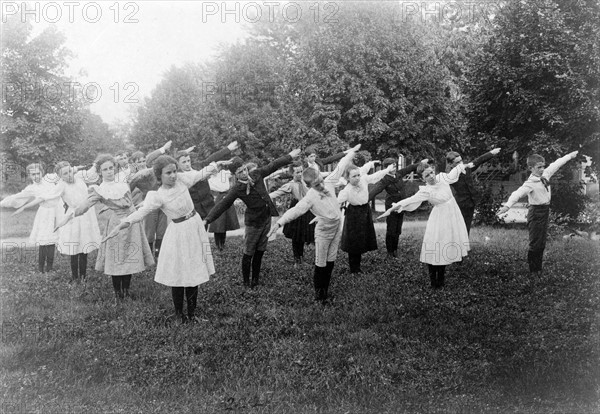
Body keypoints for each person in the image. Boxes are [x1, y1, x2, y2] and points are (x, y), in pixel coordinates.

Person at [108, 155, 220, 323]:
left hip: (194, 228)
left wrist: (215, 164)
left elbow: (199, 175)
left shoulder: (182, 180)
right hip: (178, 233)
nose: (173, 175)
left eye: (175, 171)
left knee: (194, 270)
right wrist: (122, 225)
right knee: (179, 272)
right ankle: (178, 314)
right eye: (168, 173)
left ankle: (191, 314)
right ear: (159, 176)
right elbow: (141, 212)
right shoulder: (157, 195)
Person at [268, 145, 360, 302]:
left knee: (331, 261)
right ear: (310, 186)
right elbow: (295, 210)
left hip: (337, 227)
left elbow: (342, 164)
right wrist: (278, 224)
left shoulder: (329, 181)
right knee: (321, 263)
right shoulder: (310, 196)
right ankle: (320, 296)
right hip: (323, 231)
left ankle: (326, 289)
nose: (321, 186)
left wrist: (352, 152)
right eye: (317, 185)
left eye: (320, 181)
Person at [61, 154, 155, 301]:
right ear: (100, 172)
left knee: (128, 257)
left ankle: (126, 291)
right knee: (117, 258)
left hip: (132, 222)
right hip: (116, 224)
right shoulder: (99, 189)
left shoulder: (123, 181)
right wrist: (69, 216)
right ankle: (118, 294)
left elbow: (141, 175)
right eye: (105, 169)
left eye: (111, 168)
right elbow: (84, 206)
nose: (109, 171)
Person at [204, 149, 301, 288]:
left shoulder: (256, 174)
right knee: (249, 252)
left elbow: (273, 165)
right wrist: (207, 219)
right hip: (253, 223)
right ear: (234, 175)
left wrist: (289, 156)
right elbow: (222, 205)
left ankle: (255, 280)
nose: (244, 173)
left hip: (266, 218)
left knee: (260, 251)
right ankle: (246, 283)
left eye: (244, 169)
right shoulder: (237, 189)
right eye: (240, 172)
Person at [379, 161, 475, 289]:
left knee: (446, 244)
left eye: (431, 172)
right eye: (427, 175)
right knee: (435, 246)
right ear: (422, 178)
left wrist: (466, 165)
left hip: (452, 217)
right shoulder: (426, 191)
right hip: (439, 219)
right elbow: (410, 200)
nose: (431, 176)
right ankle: (433, 281)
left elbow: (455, 171)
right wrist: (391, 209)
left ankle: (441, 279)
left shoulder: (442, 178)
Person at [17, 162, 102, 282]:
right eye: (65, 174)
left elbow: (93, 171)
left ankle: (83, 277)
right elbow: (46, 197)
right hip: (73, 217)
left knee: (84, 245)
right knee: (74, 246)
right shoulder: (61, 185)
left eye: (70, 171)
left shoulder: (79, 177)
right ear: (60, 176)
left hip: (86, 215)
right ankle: (74, 276)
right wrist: (25, 207)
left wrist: (97, 162)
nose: (69, 175)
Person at [498, 150, 579, 276]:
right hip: (535, 213)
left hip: (545, 211)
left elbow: (557, 164)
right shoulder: (530, 183)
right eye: (538, 167)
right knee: (535, 242)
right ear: (531, 168)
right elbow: (517, 194)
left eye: (543, 166)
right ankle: (533, 270)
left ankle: (538, 268)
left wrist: (570, 156)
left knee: (541, 242)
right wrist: (507, 206)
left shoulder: (546, 174)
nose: (542, 169)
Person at [1, 163, 62, 273]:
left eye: (38, 173)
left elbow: (65, 172)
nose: (36, 176)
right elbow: (17, 197)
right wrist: (2, 203)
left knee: (52, 240)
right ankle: (41, 267)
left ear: (42, 172)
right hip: (44, 214)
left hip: (55, 212)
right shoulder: (31, 188)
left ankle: (49, 267)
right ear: (29, 175)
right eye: (33, 174)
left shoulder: (50, 178)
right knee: (43, 241)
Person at [338, 160, 395, 274]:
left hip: (364, 211)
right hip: (353, 214)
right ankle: (354, 268)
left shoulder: (363, 179)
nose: (358, 178)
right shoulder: (346, 190)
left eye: (358, 175)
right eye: (354, 176)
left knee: (361, 239)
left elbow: (375, 176)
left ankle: (358, 266)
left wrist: (386, 170)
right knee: (353, 241)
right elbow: (336, 203)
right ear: (347, 178)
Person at [369, 156, 429, 259]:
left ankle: (395, 250)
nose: (394, 169)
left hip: (401, 205)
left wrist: (420, 163)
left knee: (397, 229)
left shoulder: (399, 174)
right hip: (391, 206)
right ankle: (390, 252)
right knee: (391, 229)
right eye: (392, 167)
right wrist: (365, 199)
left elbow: (410, 167)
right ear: (386, 168)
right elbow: (376, 190)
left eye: (395, 166)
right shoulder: (384, 179)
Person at [445, 148, 501, 234]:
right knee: (458, 228)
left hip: (470, 203)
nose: (460, 163)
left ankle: (465, 246)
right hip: (459, 204)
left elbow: (478, 161)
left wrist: (491, 153)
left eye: (461, 161)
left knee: (467, 227)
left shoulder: (467, 168)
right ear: (450, 164)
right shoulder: (450, 175)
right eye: (457, 162)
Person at [269, 162, 315, 266]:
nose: (300, 174)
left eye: (301, 171)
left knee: (303, 235)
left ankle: (302, 259)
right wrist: (265, 197)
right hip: (296, 210)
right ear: (292, 173)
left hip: (307, 210)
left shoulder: (307, 182)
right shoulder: (290, 185)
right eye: (297, 172)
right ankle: (296, 260)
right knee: (296, 236)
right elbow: (277, 193)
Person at [207, 167, 240, 251]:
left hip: (228, 196)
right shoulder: (210, 180)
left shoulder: (223, 173)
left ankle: (223, 242)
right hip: (219, 197)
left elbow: (233, 172)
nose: (215, 171)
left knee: (225, 221)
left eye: (215, 169)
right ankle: (218, 244)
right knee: (218, 222)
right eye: (212, 170)